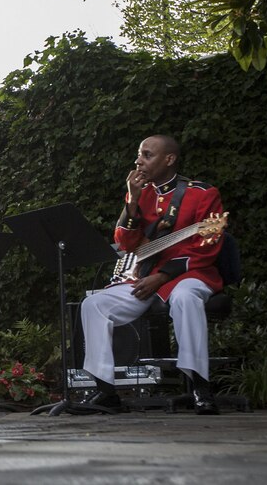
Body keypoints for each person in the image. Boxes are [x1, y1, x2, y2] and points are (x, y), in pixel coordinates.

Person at [80, 135, 224, 415]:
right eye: (138, 155)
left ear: (169, 159)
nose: (138, 161)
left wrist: (164, 276)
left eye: (147, 155)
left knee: (185, 298)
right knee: (94, 304)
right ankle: (106, 391)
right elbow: (126, 244)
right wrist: (132, 200)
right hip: (146, 276)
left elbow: (209, 246)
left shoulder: (203, 194)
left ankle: (200, 386)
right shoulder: (140, 193)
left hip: (190, 274)